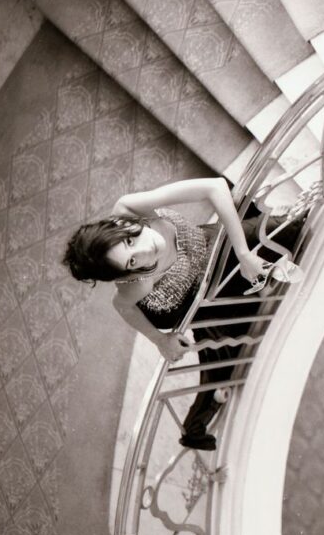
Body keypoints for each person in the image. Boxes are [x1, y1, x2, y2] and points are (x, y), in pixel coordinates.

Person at [63, 177, 308, 450]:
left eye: (131, 240)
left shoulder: (129, 208)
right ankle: (195, 426)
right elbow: (122, 306)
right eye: (132, 261)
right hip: (187, 301)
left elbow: (215, 186)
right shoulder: (137, 284)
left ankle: (252, 266)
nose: (146, 250)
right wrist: (159, 339)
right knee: (225, 353)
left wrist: (243, 253)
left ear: (122, 223)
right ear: (127, 273)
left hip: (208, 246)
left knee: (290, 228)